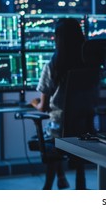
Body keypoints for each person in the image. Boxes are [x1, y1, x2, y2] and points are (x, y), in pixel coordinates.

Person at [31, 17, 87, 190]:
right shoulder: (89, 64)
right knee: (66, 137)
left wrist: (34, 103)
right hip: (86, 131)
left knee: (54, 136)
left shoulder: (52, 66)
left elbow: (44, 107)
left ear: (58, 39)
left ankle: (49, 186)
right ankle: (71, 181)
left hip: (60, 131)